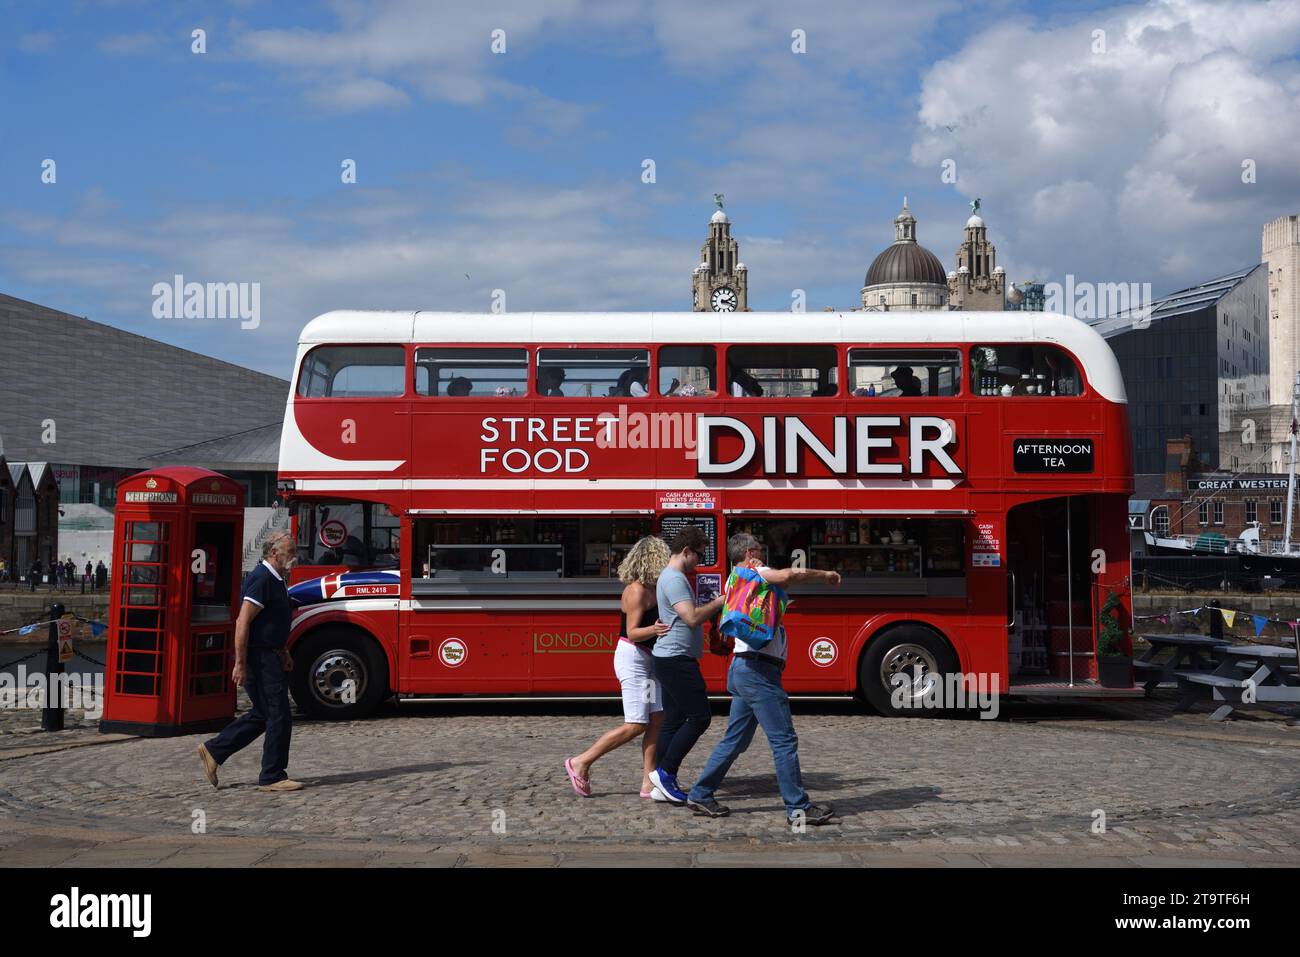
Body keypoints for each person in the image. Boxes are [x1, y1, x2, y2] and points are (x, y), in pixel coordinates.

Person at [685, 533, 840, 825]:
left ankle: (701, 793)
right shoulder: (756, 572)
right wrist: (826, 574)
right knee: (783, 740)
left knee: (735, 740)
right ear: (750, 551)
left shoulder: (735, 579)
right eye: (759, 548)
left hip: (744, 668)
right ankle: (798, 809)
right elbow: (791, 574)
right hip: (759, 672)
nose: (763, 553)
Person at [564, 536, 671, 798]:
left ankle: (648, 782)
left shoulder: (654, 588)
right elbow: (633, 632)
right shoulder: (636, 590)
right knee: (636, 724)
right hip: (633, 657)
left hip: (649, 658)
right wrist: (656, 629)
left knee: (657, 719)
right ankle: (581, 761)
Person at [197, 532, 303, 792]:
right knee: (278, 716)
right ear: (274, 553)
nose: (294, 559)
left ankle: (214, 750)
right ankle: (272, 776)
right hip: (260, 658)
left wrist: (284, 650)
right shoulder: (261, 578)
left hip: (272, 654)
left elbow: (272, 623)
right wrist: (240, 663)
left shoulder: (277, 580)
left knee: (263, 713)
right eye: (290, 553)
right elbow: (243, 621)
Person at [647, 526, 725, 804]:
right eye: (699, 556)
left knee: (674, 720)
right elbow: (691, 618)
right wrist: (719, 602)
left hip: (670, 657)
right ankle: (666, 773)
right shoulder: (675, 578)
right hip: (676, 658)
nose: (700, 563)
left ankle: (660, 781)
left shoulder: (671, 577)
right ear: (686, 551)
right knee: (700, 716)